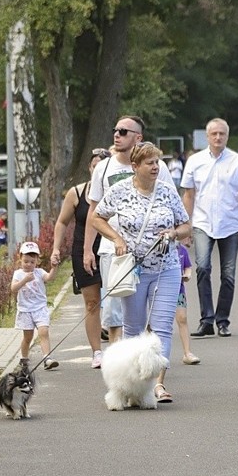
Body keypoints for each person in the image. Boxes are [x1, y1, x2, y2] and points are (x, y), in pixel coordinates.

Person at [92, 141, 191, 403]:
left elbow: (186, 227)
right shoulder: (120, 191)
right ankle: (131, 384)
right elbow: (96, 217)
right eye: (150, 163)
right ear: (135, 166)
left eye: (157, 162)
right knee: (133, 329)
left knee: (161, 328)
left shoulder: (168, 192)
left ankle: (156, 385)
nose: (155, 167)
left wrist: (173, 233)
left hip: (165, 268)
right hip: (133, 270)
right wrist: (116, 238)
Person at [83, 115, 175, 345]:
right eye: (116, 130)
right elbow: (94, 211)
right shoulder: (103, 168)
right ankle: (120, 366)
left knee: (153, 316)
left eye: (124, 131)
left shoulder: (157, 167)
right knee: (115, 313)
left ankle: (148, 360)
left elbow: (172, 206)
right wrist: (88, 249)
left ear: (138, 137)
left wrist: (176, 244)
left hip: (154, 255)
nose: (117, 134)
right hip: (114, 252)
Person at [181, 118, 238, 338]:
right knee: (203, 268)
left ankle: (223, 320)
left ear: (227, 136)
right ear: (207, 136)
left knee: (228, 274)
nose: (218, 137)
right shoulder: (195, 161)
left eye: (222, 134)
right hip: (203, 222)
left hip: (230, 223)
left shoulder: (237, 161)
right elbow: (189, 194)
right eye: (214, 134)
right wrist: (186, 224)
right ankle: (206, 319)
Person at [51, 147, 110, 369]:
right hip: (84, 251)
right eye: (95, 166)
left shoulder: (120, 190)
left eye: (102, 166)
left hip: (113, 248)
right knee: (92, 302)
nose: (98, 170)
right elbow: (62, 222)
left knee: (119, 301)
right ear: (89, 167)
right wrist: (56, 249)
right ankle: (97, 352)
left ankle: (120, 347)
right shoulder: (76, 193)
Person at [11, 241, 59, 370]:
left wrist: (54, 267)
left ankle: (47, 358)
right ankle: (24, 358)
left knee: (44, 331)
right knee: (28, 336)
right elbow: (13, 288)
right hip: (25, 310)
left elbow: (49, 278)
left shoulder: (39, 272)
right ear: (20, 258)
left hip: (40, 308)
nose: (29, 264)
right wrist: (25, 280)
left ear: (37, 260)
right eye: (26, 261)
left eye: (32, 262)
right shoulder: (18, 274)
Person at [176, 242, 200, 365]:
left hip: (178, 289)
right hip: (158, 289)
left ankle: (187, 352)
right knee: (152, 324)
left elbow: (187, 266)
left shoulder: (182, 249)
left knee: (182, 318)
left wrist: (187, 274)